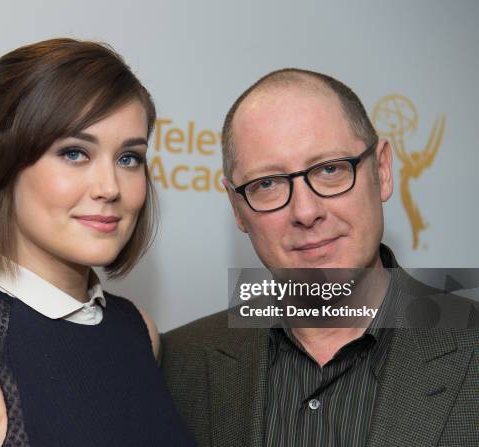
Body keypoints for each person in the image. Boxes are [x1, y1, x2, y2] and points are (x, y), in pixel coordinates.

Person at [0, 38, 196, 447]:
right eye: (75, 153)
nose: (110, 187)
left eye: (128, 158)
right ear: (3, 165)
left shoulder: (137, 330)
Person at [161, 68, 478, 447]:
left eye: (330, 170)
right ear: (237, 208)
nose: (306, 212)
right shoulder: (179, 366)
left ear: (382, 171)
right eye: (268, 183)